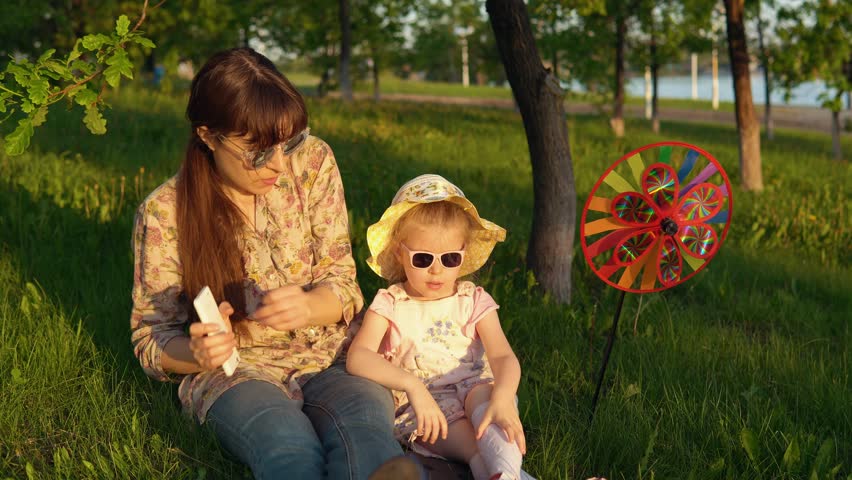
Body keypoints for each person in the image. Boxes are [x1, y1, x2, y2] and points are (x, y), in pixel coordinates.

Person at [129, 47, 404, 480]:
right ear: (208, 135)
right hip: (239, 374)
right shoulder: (165, 213)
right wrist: (198, 353)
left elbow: (344, 283)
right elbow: (151, 338)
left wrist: (311, 306)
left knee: (369, 443)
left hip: (334, 359)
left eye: (287, 141)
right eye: (258, 151)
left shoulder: (312, 162)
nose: (279, 163)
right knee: (288, 450)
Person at [346, 174, 531, 480]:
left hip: (475, 390)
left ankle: (505, 472)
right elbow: (359, 357)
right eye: (422, 258)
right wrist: (411, 385)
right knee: (473, 448)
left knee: (492, 418)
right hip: (427, 406)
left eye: (449, 258)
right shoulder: (390, 303)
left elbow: (502, 358)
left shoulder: (472, 299)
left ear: (463, 253)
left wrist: (503, 396)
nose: (437, 270)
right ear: (398, 253)